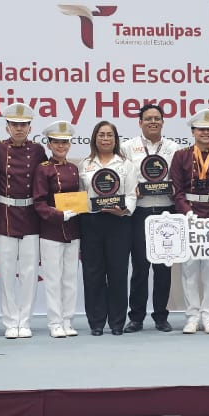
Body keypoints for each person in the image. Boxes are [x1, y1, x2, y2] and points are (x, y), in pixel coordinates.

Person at [170, 108, 209, 334]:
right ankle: (192, 316)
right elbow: (177, 190)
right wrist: (187, 212)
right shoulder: (181, 156)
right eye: (201, 129)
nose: (206, 133)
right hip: (189, 217)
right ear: (193, 131)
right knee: (189, 268)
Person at [0, 103, 47, 338]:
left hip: (31, 215)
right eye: (14, 124)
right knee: (6, 272)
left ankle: (25, 320)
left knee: (29, 273)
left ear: (30, 127)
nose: (19, 128)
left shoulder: (38, 150)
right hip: (5, 214)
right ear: (7, 127)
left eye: (23, 125)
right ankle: (10, 321)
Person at [122, 103, 179, 333]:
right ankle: (136, 317)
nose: (153, 122)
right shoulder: (128, 147)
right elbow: (122, 178)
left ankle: (161, 316)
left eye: (157, 118)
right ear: (140, 122)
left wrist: (175, 188)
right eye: (148, 118)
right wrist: (132, 189)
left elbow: (180, 178)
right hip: (140, 212)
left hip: (166, 212)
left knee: (164, 268)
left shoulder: (174, 148)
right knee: (140, 267)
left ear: (163, 122)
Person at [79, 121, 137, 336]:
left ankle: (117, 322)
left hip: (118, 223)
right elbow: (80, 195)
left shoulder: (126, 164)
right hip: (91, 222)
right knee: (92, 274)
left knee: (118, 273)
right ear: (94, 138)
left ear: (116, 139)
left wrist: (123, 210)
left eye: (109, 135)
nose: (105, 139)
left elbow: (131, 194)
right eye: (101, 135)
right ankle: (96, 322)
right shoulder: (84, 164)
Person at [33, 122, 83, 338]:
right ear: (49, 144)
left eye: (65, 142)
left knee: (70, 278)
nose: (61, 146)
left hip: (72, 230)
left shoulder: (73, 168)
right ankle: (55, 322)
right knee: (53, 279)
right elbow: (38, 202)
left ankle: (68, 319)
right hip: (51, 230)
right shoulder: (43, 169)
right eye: (57, 142)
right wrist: (58, 215)